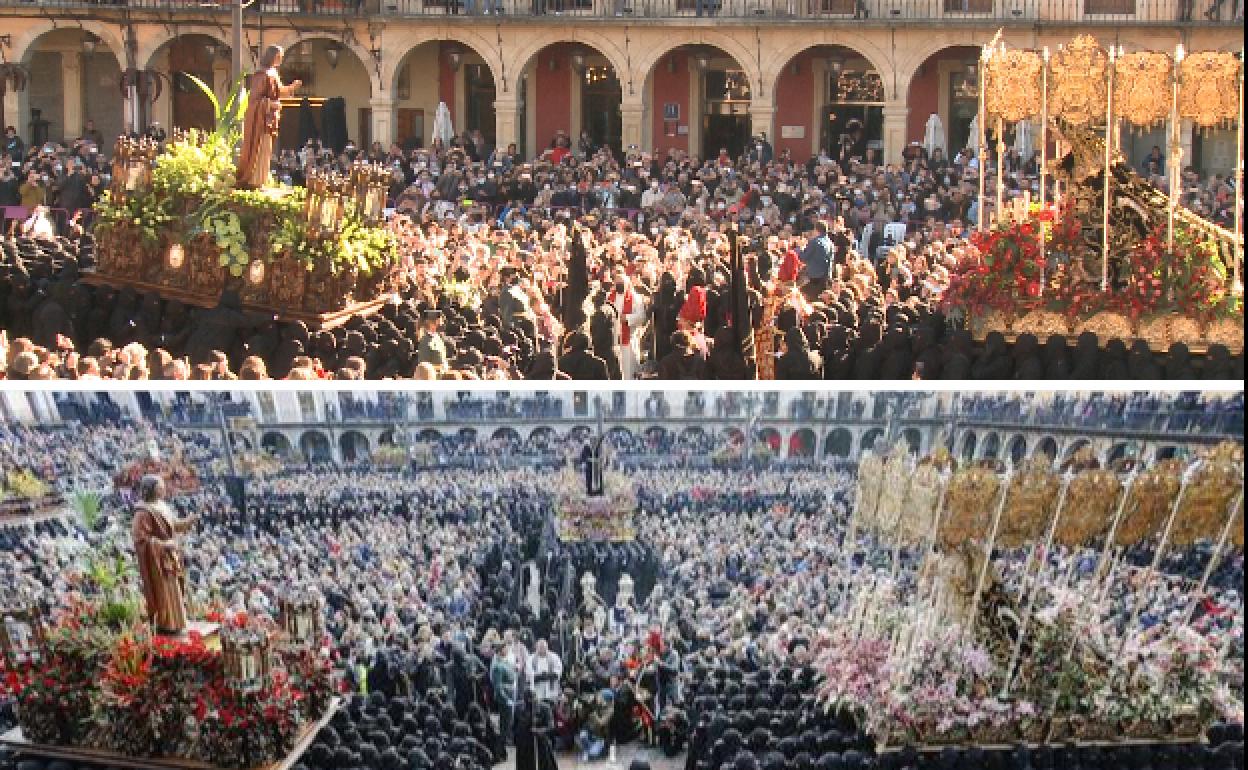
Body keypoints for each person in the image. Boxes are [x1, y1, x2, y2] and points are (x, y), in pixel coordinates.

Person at [131, 474, 198, 635]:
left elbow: (172, 525)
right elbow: (141, 539)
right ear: (151, 490)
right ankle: (166, 624)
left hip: (169, 557)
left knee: (174, 590)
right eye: (160, 487)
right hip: (157, 560)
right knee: (164, 593)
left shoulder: (162, 505)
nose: (163, 489)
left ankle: (177, 622)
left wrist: (187, 522)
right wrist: (163, 544)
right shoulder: (143, 512)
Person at [236, 45, 302, 189]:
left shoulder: (273, 73)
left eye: (281, 57)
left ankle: (262, 179)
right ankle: (255, 180)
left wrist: (292, 87)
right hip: (261, 119)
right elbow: (254, 100)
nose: (280, 59)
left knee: (267, 150)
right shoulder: (261, 74)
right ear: (272, 56)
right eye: (278, 56)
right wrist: (271, 105)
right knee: (260, 148)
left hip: (270, 119)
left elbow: (279, 92)